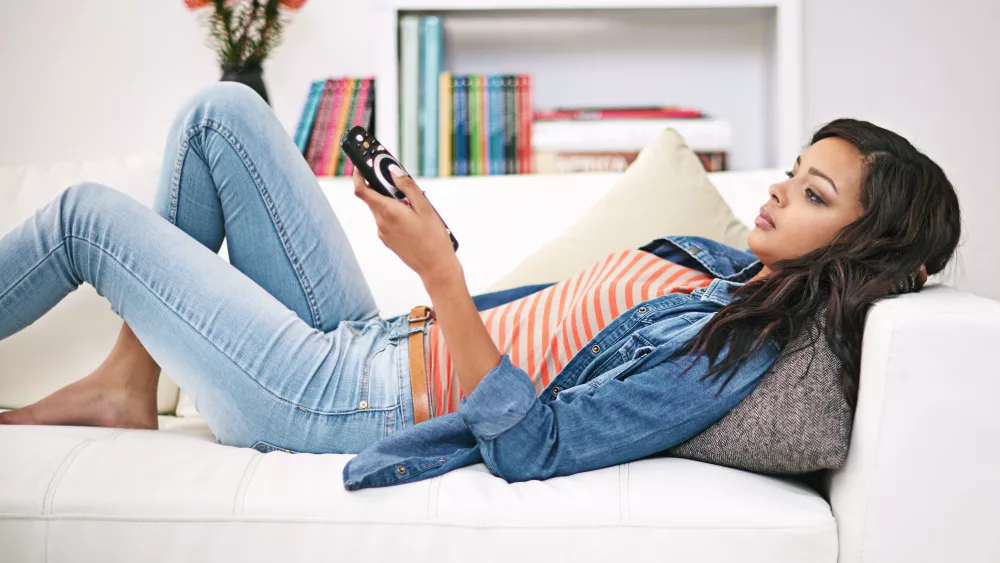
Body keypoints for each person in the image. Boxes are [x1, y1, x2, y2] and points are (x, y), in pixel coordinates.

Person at [0, 83, 960, 490]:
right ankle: (128, 385)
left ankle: (125, 385)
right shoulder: (717, 269)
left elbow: (533, 444)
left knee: (87, 216)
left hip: (347, 401)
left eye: (815, 193)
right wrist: (438, 267)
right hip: (378, 339)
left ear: (861, 250)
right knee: (221, 113)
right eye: (794, 169)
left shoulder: (736, 351)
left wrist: (441, 271)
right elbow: (539, 327)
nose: (781, 188)